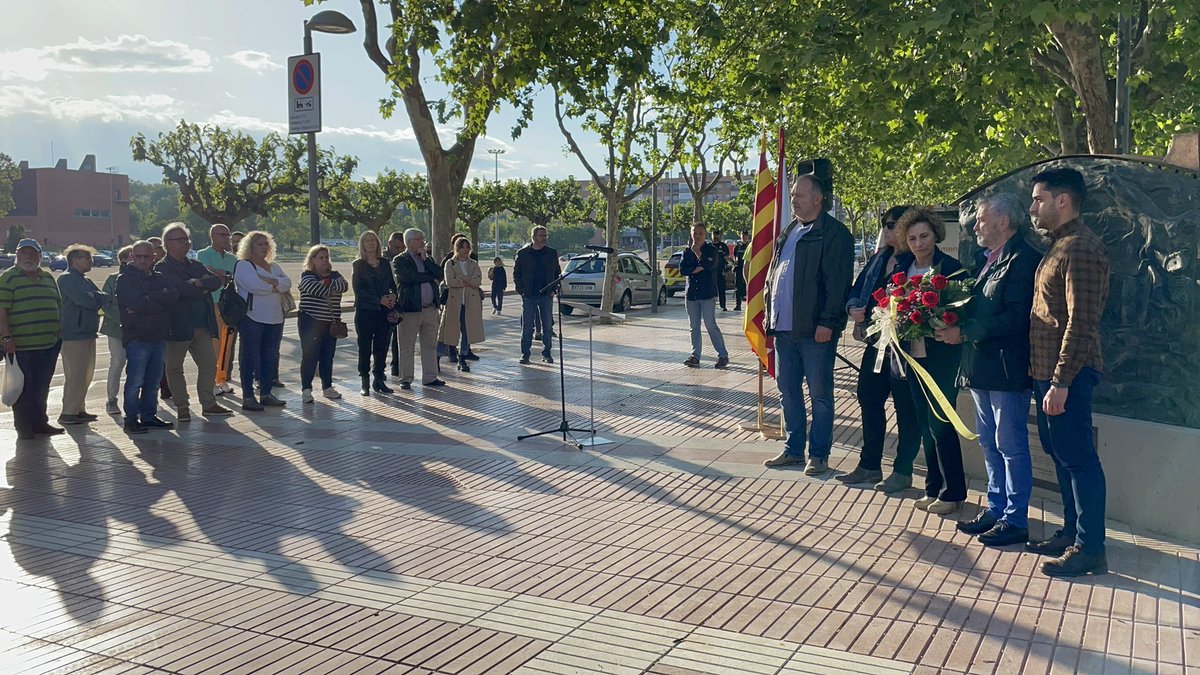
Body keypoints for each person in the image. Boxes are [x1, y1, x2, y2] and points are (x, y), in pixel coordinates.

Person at [933, 193, 1042, 547]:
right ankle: (996, 509)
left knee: (1010, 444)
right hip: (981, 366)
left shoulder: (1023, 259)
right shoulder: (989, 260)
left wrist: (963, 331)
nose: (976, 226)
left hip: (1007, 369)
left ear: (1003, 222)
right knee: (990, 443)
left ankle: (1016, 519)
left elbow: (1015, 317)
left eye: (981, 219)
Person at [1024, 167, 1110, 578]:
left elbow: (1081, 322)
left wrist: (1060, 381)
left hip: (1068, 375)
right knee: (1061, 455)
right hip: (1047, 374)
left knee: (1078, 460)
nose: (1032, 208)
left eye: (1039, 199)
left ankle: (1090, 548)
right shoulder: (1059, 246)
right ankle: (1073, 531)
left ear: (1063, 200)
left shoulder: (1081, 248)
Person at [762, 175, 854, 475]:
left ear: (819, 198)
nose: (793, 200)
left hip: (816, 331)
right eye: (792, 195)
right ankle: (793, 450)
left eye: (800, 195)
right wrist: (768, 317)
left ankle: (819, 454)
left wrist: (828, 322)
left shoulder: (834, 234)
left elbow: (838, 284)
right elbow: (775, 277)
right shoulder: (789, 232)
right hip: (784, 330)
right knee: (787, 392)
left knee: (820, 395)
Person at [838, 206, 924, 491]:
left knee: (905, 408)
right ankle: (869, 465)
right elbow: (857, 287)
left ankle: (902, 470)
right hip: (876, 342)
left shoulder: (914, 262)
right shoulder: (879, 257)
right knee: (868, 398)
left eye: (892, 225)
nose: (886, 230)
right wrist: (853, 307)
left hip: (904, 345)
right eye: (884, 225)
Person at [889, 207, 967, 515]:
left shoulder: (951, 268)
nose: (919, 243)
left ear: (936, 235)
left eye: (924, 236)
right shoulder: (901, 267)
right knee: (924, 424)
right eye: (912, 238)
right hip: (910, 357)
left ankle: (954, 491)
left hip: (941, 358)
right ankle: (933, 487)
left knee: (942, 423)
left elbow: (962, 310)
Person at [157, 223, 231, 421]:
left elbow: (216, 281)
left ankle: (208, 404)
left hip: (201, 325)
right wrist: (199, 286)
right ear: (167, 244)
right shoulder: (162, 268)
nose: (185, 244)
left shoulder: (195, 265)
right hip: (177, 326)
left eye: (186, 239)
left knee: (208, 365)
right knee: (174, 368)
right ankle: (182, 406)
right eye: (180, 240)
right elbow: (179, 290)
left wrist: (197, 283)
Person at [0, 238, 63, 440]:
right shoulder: (8, 278)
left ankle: (40, 422)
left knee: (42, 385)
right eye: (24, 252)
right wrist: (6, 337)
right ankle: (24, 426)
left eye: (32, 253)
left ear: (40, 255)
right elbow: (1, 311)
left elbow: (58, 305)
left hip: (48, 343)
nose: (28, 256)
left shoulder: (48, 278)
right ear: (17, 255)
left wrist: (59, 332)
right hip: (21, 344)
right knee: (23, 387)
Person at [117, 240, 179, 434]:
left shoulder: (159, 277)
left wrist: (149, 297)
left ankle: (148, 416)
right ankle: (131, 419)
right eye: (139, 256)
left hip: (158, 335)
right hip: (137, 337)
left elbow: (173, 297)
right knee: (135, 381)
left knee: (153, 381)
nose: (143, 260)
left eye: (147, 256)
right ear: (132, 257)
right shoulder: (125, 279)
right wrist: (157, 298)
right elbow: (137, 303)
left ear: (154, 257)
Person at [234, 231, 291, 410]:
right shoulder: (244, 265)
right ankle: (248, 397)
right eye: (259, 244)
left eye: (266, 243)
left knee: (269, 356)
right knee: (250, 357)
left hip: (275, 317)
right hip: (252, 318)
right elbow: (254, 286)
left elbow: (287, 283)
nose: (264, 247)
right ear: (249, 246)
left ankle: (266, 393)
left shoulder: (273, 266)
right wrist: (275, 285)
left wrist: (269, 281)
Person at [56, 244, 107, 426]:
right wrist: (94, 297)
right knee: (75, 374)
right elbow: (85, 300)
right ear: (74, 260)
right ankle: (68, 412)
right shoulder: (67, 278)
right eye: (87, 258)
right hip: (74, 333)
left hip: (87, 332)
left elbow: (103, 297)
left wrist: (94, 296)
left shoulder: (84, 280)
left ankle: (78, 409)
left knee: (86, 374)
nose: (91, 261)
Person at [393, 228, 445, 389]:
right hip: (410, 309)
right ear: (409, 242)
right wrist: (430, 277)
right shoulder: (400, 260)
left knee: (429, 345)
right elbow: (409, 278)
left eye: (423, 239)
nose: (422, 242)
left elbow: (440, 274)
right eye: (418, 239)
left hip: (430, 309)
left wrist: (426, 261)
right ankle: (406, 378)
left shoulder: (427, 258)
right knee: (407, 346)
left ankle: (430, 377)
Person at [297, 245, 349, 402]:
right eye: (321, 257)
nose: (325, 260)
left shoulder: (335, 274)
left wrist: (326, 283)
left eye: (326, 257)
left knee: (328, 356)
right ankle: (306, 389)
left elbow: (344, 285)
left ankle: (327, 387)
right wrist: (330, 285)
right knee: (310, 356)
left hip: (330, 323)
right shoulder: (307, 275)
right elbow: (317, 290)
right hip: (310, 322)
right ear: (312, 260)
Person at [352, 231, 397, 395]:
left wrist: (393, 295)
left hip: (384, 313)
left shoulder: (384, 263)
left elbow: (392, 284)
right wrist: (378, 300)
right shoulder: (358, 265)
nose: (371, 243)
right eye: (367, 241)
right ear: (362, 245)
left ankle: (379, 378)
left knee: (382, 346)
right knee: (365, 347)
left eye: (373, 240)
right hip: (366, 311)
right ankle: (365, 381)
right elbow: (359, 290)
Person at [679, 222, 729, 369]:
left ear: (705, 234)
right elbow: (683, 270)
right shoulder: (686, 252)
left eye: (700, 233)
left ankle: (723, 355)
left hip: (707, 293)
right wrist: (697, 268)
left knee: (710, 325)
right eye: (695, 232)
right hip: (692, 295)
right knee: (694, 326)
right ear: (691, 234)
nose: (698, 235)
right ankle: (695, 356)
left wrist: (697, 257)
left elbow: (709, 265)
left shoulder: (711, 250)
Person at [197, 223, 238, 397]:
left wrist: (221, 273)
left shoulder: (232, 258)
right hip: (212, 302)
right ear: (212, 235)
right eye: (222, 234)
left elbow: (234, 276)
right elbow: (206, 274)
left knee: (227, 345)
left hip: (229, 305)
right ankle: (212, 380)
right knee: (215, 344)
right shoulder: (203, 254)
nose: (226, 238)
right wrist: (221, 274)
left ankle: (222, 378)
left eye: (227, 234)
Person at [513, 226, 560, 365]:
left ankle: (547, 353)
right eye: (541, 236)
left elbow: (557, 273)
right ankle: (525, 354)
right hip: (529, 295)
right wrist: (521, 291)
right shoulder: (523, 253)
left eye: (545, 236)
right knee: (527, 327)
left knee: (547, 326)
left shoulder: (551, 253)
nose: (544, 238)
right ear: (533, 237)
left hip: (546, 295)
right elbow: (517, 274)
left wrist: (554, 290)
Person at [439, 238, 485, 372]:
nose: (465, 250)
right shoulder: (450, 263)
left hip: (470, 302)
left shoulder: (473, 263)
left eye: (467, 247)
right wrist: (467, 281)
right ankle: (440, 355)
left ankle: (463, 357)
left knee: (467, 331)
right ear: (456, 249)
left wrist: (462, 279)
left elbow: (477, 281)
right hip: (455, 302)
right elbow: (450, 281)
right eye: (462, 247)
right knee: (448, 330)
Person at [100, 245, 134, 415]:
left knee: (138, 365)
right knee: (118, 362)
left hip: (139, 329)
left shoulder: (145, 277)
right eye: (133, 256)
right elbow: (105, 303)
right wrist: (122, 319)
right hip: (116, 329)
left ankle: (136, 399)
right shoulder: (112, 279)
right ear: (125, 258)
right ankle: (111, 399)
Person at [384, 231, 406, 378]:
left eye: (401, 248)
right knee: (384, 337)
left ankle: (396, 366)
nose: (399, 251)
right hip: (385, 301)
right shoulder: (382, 259)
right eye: (396, 247)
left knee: (399, 337)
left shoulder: (404, 258)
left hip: (400, 299)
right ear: (389, 243)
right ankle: (380, 368)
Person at [711, 229, 729, 311]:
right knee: (711, 290)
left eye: (717, 235)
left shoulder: (723, 246)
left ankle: (723, 305)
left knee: (721, 289)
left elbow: (727, 258)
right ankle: (711, 305)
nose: (715, 237)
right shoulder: (709, 246)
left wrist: (727, 268)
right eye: (714, 235)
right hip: (711, 272)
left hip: (721, 271)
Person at [733, 230, 750, 311]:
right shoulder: (737, 246)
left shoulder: (749, 246)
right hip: (739, 269)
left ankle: (748, 304)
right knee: (738, 288)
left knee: (748, 287)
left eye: (745, 236)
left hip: (748, 270)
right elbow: (735, 256)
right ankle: (738, 304)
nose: (744, 238)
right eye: (743, 236)